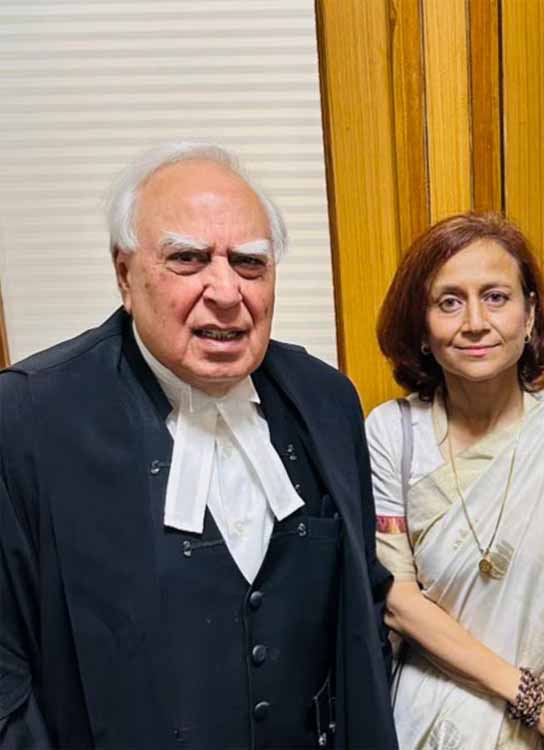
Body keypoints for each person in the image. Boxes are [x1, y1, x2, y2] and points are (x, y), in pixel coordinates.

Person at [0, 143, 397, 749]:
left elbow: (360, 617)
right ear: (124, 274)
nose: (226, 292)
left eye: (250, 263)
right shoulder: (28, 418)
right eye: (187, 259)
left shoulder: (327, 401)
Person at [367, 212, 544, 750]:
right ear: (422, 329)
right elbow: (398, 599)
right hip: (438, 714)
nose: (475, 322)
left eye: (496, 297)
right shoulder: (393, 433)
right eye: (449, 302)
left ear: (530, 316)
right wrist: (531, 698)